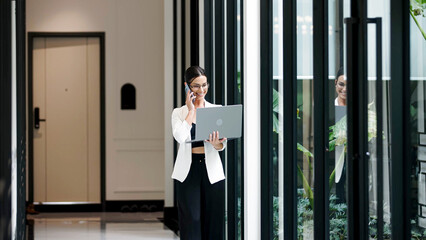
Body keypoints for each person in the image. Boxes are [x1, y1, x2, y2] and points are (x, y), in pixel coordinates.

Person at [171, 66, 227, 240]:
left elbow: (221, 146)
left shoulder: (216, 109)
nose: (201, 90)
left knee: (213, 220)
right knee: (191, 220)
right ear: (187, 87)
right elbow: (180, 137)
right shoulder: (178, 113)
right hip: (188, 171)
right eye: (196, 86)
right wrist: (191, 111)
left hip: (212, 171)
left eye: (204, 85)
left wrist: (218, 144)